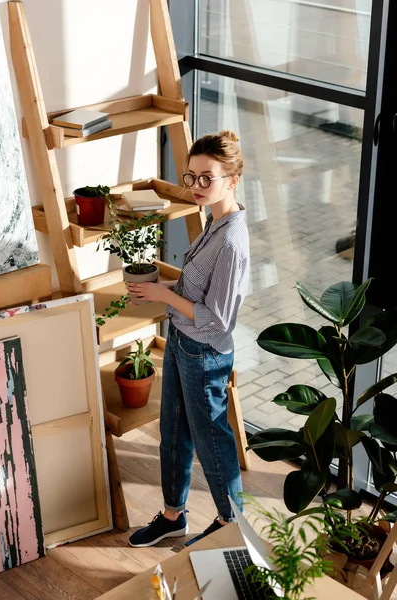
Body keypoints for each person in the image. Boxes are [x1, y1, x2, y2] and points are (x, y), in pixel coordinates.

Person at [126, 130, 250, 548]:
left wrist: (162, 294)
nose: (195, 187)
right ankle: (172, 515)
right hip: (182, 343)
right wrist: (166, 286)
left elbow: (217, 320)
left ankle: (231, 525)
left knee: (212, 440)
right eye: (190, 177)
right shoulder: (215, 222)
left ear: (231, 179)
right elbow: (199, 291)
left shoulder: (231, 240)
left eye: (206, 178)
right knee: (173, 433)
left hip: (205, 353)